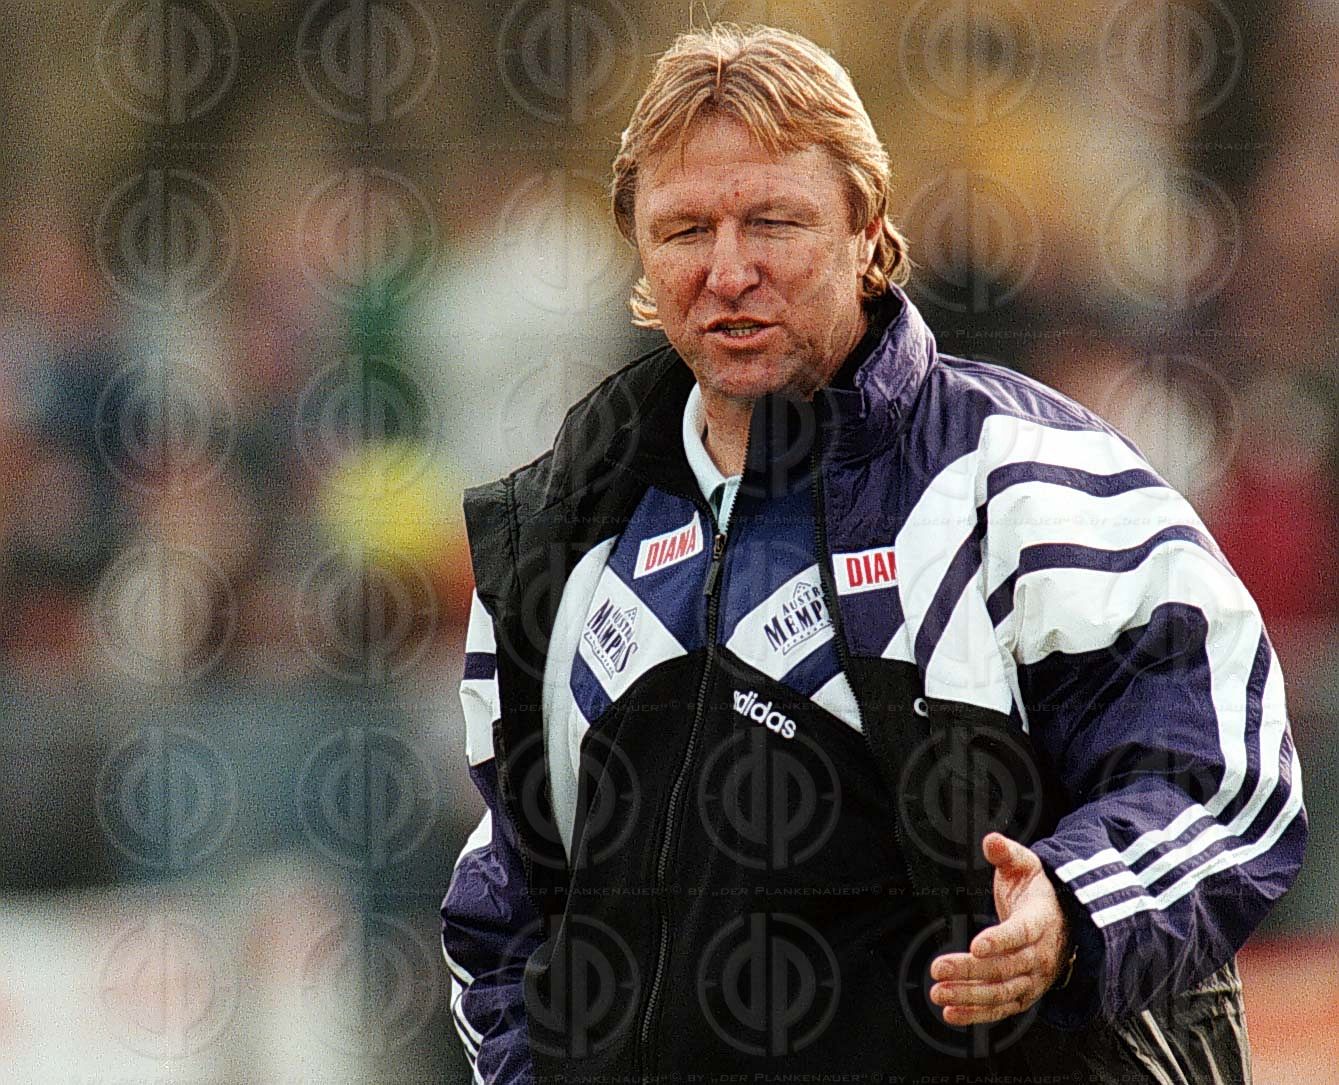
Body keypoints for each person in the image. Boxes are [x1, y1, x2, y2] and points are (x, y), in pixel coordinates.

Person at [441, 23, 1306, 1083]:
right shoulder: (560, 531)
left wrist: (1072, 909)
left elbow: (1220, 775)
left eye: (773, 221)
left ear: (866, 227)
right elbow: (503, 906)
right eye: (684, 230)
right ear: (639, 250)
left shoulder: (1023, 479)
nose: (728, 270)